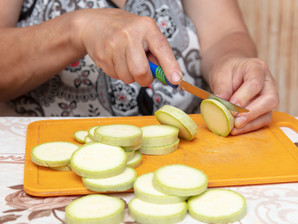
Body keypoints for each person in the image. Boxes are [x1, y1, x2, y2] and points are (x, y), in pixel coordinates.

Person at [0, 0, 279, 135]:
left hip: (187, 153)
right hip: (47, 160)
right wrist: (76, 29)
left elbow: (225, 34)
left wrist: (232, 61)